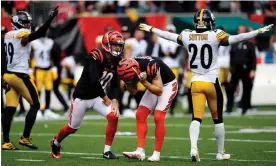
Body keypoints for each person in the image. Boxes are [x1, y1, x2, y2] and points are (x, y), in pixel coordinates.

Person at [139, 9, 273, 162]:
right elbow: (237, 38)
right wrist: (257, 31)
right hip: (211, 83)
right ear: (210, 22)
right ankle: (220, 153)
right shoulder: (215, 34)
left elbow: (169, 36)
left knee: (196, 118)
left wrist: (152, 29)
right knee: (218, 119)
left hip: (195, 82)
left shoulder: (188, 35)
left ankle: (194, 148)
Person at [50, 31, 124, 159]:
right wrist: (106, 98)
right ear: (107, 44)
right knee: (72, 128)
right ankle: (55, 142)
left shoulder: (117, 60)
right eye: (115, 45)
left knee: (114, 116)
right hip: (82, 97)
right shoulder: (96, 55)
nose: (118, 48)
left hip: (96, 97)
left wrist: (115, 100)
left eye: (119, 45)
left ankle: (107, 151)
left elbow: (116, 83)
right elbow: (93, 80)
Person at [2, 7, 59, 150]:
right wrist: (49, 19)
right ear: (19, 23)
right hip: (19, 75)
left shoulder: (8, 34)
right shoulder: (22, 34)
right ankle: (25, 138)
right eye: (26, 22)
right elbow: (38, 34)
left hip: (8, 75)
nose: (28, 25)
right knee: (35, 105)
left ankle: (6, 141)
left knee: (10, 109)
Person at [119, 56, 178, 162]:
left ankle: (156, 154)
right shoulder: (128, 67)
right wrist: (128, 82)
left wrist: (145, 82)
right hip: (153, 83)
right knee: (140, 114)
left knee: (158, 116)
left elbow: (159, 91)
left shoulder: (151, 66)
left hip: (167, 85)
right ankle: (140, 151)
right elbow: (134, 91)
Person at [226, 25, 258, 115]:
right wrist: (230, 67)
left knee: (247, 88)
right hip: (235, 70)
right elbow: (231, 57)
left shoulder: (250, 45)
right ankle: (229, 107)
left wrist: (253, 70)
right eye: (240, 31)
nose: (241, 33)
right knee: (230, 88)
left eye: (243, 31)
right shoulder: (234, 44)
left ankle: (245, 107)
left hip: (246, 69)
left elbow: (254, 58)